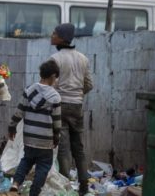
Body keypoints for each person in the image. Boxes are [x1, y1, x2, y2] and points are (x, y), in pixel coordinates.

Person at [49, 23, 93, 195]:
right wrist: (77, 95)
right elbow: (89, 84)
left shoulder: (55, 59)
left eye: (54, 33)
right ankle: (84, 186)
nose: (51, 35)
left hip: (60, 106)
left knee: (63, 148)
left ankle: (65, 187)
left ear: (62, 38)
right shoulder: (83, 58)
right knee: (78, 148)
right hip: (77, 106)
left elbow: (51, 86)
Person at [8, 60, 62, 196]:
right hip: (45, 140)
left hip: (29, 137)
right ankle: (34, 193)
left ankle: (15, 184)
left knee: (26, 160)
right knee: (43, 167)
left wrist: (12, 126)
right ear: (53, 76)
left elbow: (19, 112)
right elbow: (56, 122)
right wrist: (56, 137)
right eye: (56, 78)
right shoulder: (55, 97)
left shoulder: (29, 90)